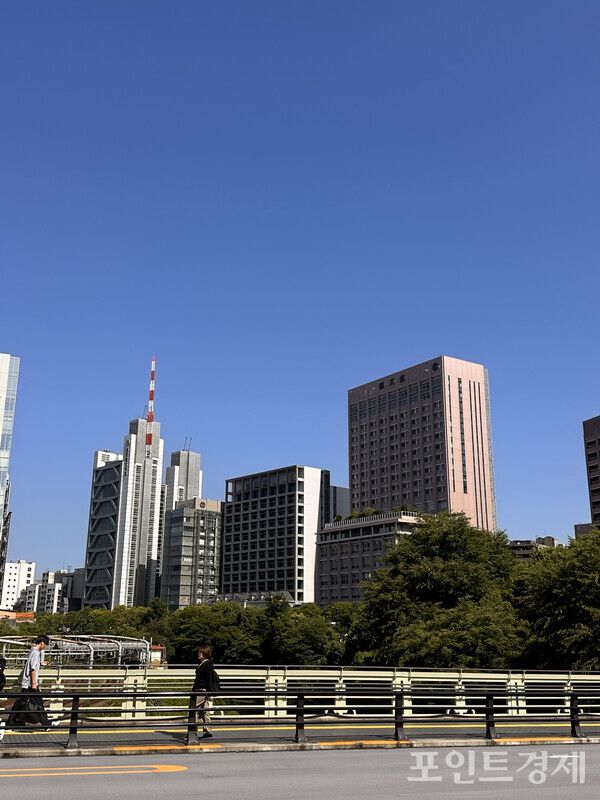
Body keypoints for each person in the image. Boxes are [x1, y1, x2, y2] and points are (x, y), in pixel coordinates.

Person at [5, 636, 60, 733]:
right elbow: (33, 669)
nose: (45, 647)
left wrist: (41, 663)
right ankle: (47, 724)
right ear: (42, 642)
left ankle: (10, 724)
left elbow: (32, 664)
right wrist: (34, 684)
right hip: (31, 684)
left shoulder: (32, 650)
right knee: (38, 704)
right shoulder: (36, 653)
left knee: (19, 704)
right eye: (45, 644)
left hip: (27, 683)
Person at [192, 644, 218, 740]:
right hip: (202, 690)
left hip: (202, 690)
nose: (198, 654)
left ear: (204, 653)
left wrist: (209, 692)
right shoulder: (202, 663)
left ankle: (192, 731)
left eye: (200, 652)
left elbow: (209, 679)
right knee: (205, 710)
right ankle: (207, 731)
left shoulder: (207, 664)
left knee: (192, 709)